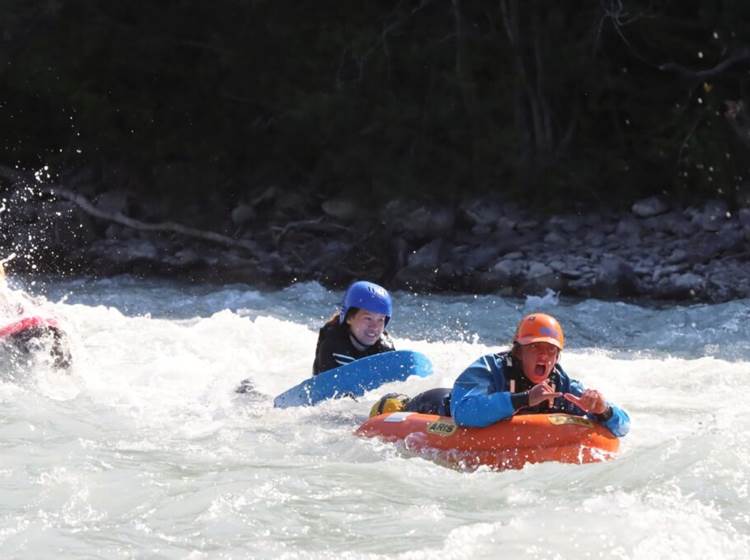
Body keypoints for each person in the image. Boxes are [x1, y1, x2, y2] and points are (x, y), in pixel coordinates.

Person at [449, 313, 629, 437]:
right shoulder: (489, 368)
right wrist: (524, 399)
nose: (543, 356)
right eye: (535, 347)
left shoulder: (562, 385)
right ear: (519, 352)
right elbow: (463, 413)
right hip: (437, 405)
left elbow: (623, 427)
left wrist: (603, 411)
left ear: (557, 356)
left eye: (551, 350)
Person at [312, 280, 395, 375]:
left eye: (380, 320)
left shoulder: (385, 347)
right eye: (368, 318)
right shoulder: (333, 342)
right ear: (349, 318)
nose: (375, 327)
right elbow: (325, 385)